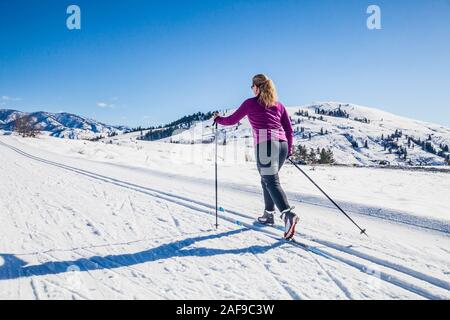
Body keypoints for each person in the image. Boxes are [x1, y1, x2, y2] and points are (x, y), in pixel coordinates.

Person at [213, 74, 299, 240]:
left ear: (257, 87)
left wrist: (218, 119)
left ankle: (288, 215)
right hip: (281, 145)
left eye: (251, 86)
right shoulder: (279, 105)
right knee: (266, 180)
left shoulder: (251, 103)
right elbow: (288, 129)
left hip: (266, 145)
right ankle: (268, 214)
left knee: (271, 181)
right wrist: (288, 149)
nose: (251, 89)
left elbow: (231, 120)